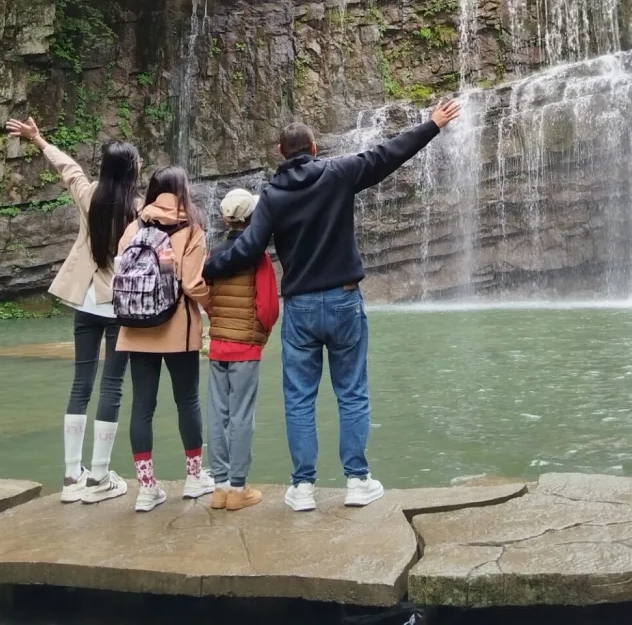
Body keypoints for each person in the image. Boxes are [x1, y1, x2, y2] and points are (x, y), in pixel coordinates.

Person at [203, 99, 462, 513]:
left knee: (300, 398)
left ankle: (302, 488)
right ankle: (357, 480)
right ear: (316, 147)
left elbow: (249, 248)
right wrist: (431, 124)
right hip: (343, 299)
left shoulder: (271, 195)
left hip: (301, 307)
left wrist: (208, 266)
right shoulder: (337, 174)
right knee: (352, 392)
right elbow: (386, 156)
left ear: (280, 153)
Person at [6, 115, 139, 505]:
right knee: (111, 386)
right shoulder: (137, 208)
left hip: (85, 301)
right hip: (118, 305)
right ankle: (99, 477)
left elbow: (69, 168)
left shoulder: (89, 194)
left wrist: (38, 140)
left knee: (81, 385)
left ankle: (70, 476)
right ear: (131, 170)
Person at [116, 166, 212, 513]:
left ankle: (146, 488)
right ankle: (194, 477)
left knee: (142, 405)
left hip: (136, 328)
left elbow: (120, 273)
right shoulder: (192, 229)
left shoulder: (134, 226)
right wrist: (213, 307)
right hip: (177, 329)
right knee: (187, 401)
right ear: (182, 190)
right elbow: (192, 283)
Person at [206, 188, 280, 512]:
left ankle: (219, 488)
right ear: (253, 218)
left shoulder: (214, 255)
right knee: (242, 417)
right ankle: (238, 489)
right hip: (245, 347)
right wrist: (261, 333)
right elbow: (268, 306)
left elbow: (208, 300)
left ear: (225, 218)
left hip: (218, 345)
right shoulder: (258, 257)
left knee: (217, 415)